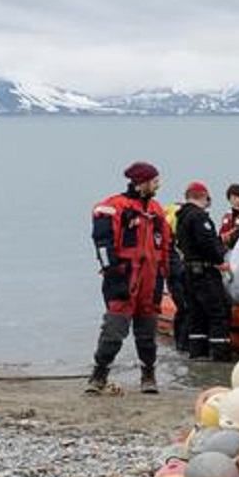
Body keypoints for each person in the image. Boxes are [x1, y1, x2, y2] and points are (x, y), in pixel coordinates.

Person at [87, 161, 173, 394]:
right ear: (142, 182)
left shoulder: (155, 210)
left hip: (150, 278)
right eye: (155, 181)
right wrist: (112, 272)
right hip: (124, 277)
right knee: (114, 331)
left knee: (147, 334)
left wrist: (166, 273)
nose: (159, 185)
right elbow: (103, 243)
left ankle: (148, 375)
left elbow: (164, 244)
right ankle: (99, 374)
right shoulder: (114, 207)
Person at [175, 181, 233, 361]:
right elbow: (208, 243)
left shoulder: (182, 216)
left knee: (197, 315)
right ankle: (220, 357)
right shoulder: (199, 217)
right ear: (203, 196)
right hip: (204, 273)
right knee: (218, 313)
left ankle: (198, 354)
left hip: (189, 272)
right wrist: (220, 260)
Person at [163, 201, 190, 352]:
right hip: (177, 277)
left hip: (175, 276)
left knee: (183, 309)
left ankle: (180, 345)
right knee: (186, 309)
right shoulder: (171, 245)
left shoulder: (172, 243)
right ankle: (182, 345)